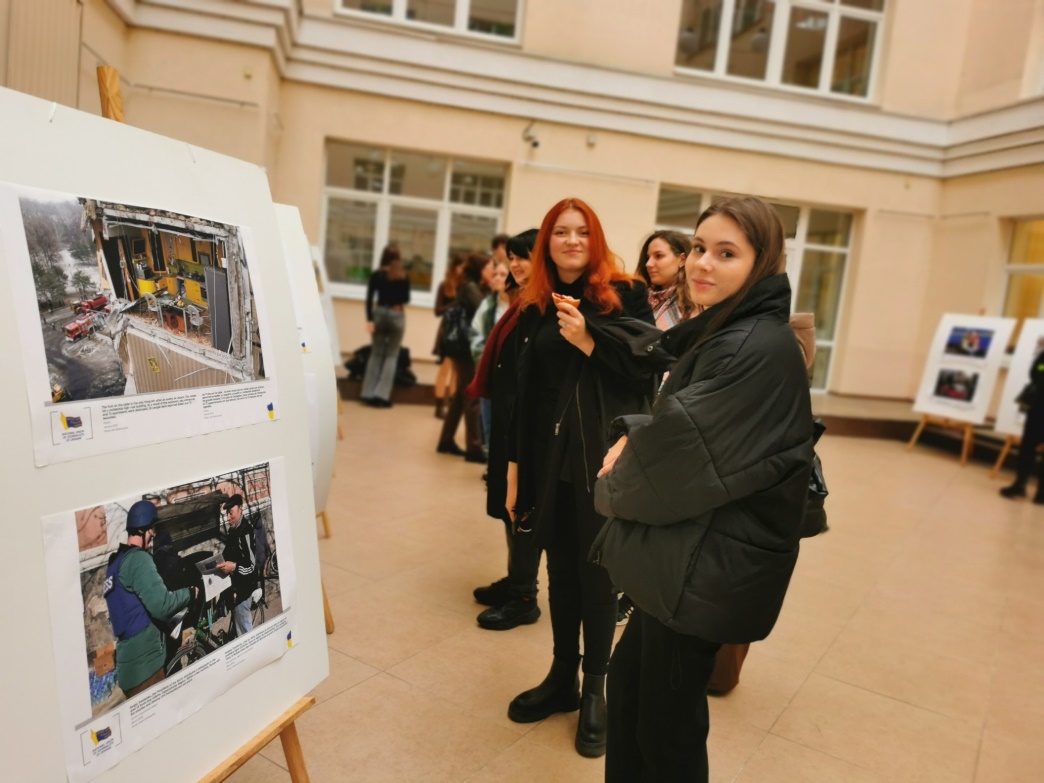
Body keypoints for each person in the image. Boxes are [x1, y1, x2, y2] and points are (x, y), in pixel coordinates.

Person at [591, 196, 815, 782]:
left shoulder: (751, 346)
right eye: (698, 247)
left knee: (665, 731)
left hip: (704, 567)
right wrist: (637, 433)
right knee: (632, 694)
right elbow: (691, 431)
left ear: (762, 263)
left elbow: (680, 461)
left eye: (726, 253)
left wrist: (617, 471)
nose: (702, 263)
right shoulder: (732, 328)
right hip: (686, 558)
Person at [504, 198, 666, 758]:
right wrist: (514, 475)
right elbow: (523, 397)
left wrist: (590, 341)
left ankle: (596, 690)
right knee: (560, 573)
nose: (571, 241)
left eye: (581, 232)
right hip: (548, 464)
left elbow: (647, 369)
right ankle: (561, 679)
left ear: (594, 240)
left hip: (600, 464)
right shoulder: (535, 304)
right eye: (560, 232)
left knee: (598, 578)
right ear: (546, 243)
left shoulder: (625, 294)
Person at [467, 229, 543, 631]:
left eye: (522, 256)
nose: (514, 264)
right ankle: (516, 580)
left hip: (527, 425)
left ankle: (524, 596)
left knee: (521, 506)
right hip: (508, 418)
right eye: (511, 257)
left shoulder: (544, 305)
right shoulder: (522, 301)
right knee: (506, 502)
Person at [103, 500, 193, 698]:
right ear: (141, 529)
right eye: (151, 529)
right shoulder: (138, 559)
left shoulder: (114, 565)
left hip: (128, 670)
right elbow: (162, 605)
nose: (153, 534)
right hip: (146, 667)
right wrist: (189, 593)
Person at [437, 252, 492, 463]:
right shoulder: (470, 288)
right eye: (489, 268)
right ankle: (474, 449)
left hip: (461, 348)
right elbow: (484, 313)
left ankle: (446, 441)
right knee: (472, 396)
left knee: (461, 397)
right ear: (480, 269)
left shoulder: (471, 286)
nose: (492, 271)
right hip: (465, 349)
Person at [471, 258, 513, 454]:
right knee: (489, 427)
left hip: (512, 378)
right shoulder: (487, 305)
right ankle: (491, 464)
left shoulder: (521, 305)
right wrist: (484, 362)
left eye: (502, 275)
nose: (496, 278)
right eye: (495, 274)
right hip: (491, 375)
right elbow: (476, 336)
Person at [361, 245, 410, 408]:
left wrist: (369, 319)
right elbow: (406, 299)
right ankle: (381, 395)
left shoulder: (376, 275)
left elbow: (369, 298)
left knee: (376, 353)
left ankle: (368, 393)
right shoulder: (402, 276)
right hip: (396, 314)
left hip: (380, 313)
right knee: (391, 355)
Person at [1000, 349, 1044, 502]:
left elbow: (1036, 372)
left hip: (1039, 406)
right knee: (1028, 447)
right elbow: (1036, 371)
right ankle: (1036, 492)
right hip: (1039, 407)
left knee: (1028, 447)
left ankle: (1022, 486)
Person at [218, 494, 262, 637]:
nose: (228, 518)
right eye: (227, 514)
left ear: (240, 509)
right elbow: (228, 553)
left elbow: (251, 565)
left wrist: (234, 567)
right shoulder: (233, 530)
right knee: (237, 631)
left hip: (244, 591)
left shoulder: (245, 531)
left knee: (245, 636)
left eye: (231, 513)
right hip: (235, 588)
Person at [633, 230, 694, 329]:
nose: (648, 264)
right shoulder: (639, 298)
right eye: (648, 258)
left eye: (658, 256)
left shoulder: (695, 304)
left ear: (682, 259)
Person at [433, 255, 465, 419]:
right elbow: (437, 310)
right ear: (455, 267)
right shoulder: (445, 285)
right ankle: (439, 406)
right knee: (445, 368)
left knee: (456, 372)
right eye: (461, 267)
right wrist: (456, 304)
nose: (463, 270)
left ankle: (451, 405)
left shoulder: (466, 286)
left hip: (462, 331)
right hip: (448, 330)